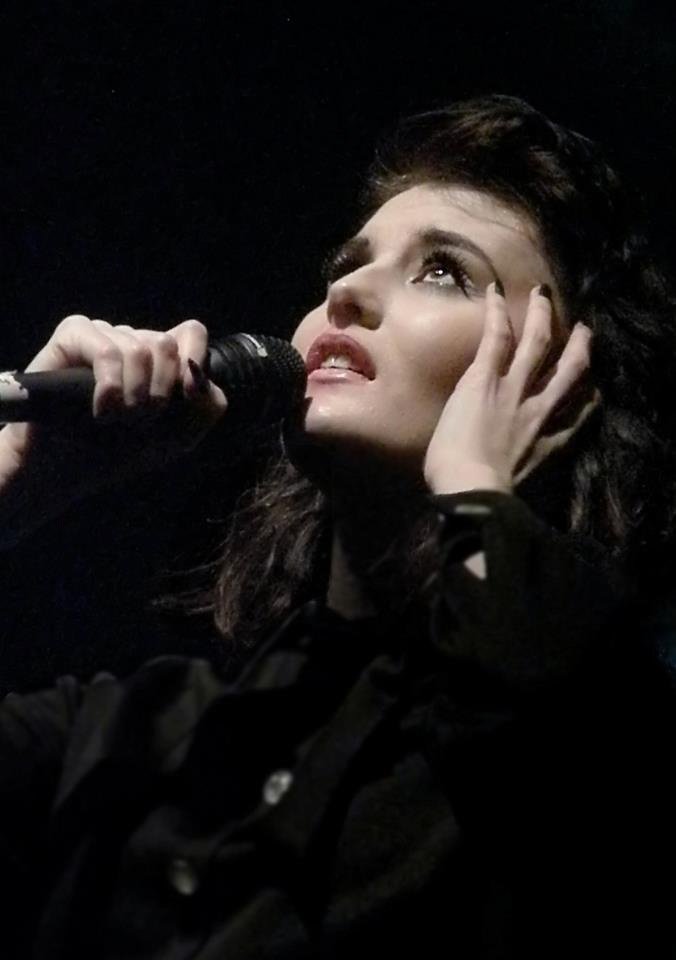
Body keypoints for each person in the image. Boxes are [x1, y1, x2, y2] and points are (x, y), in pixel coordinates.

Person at [1, 94, 676, 958]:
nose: (345, 292)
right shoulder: (133, 734)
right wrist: (16, 487)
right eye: (348, 263)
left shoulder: (593, 735)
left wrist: (477, 485)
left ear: (559, 382)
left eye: (443, 272)